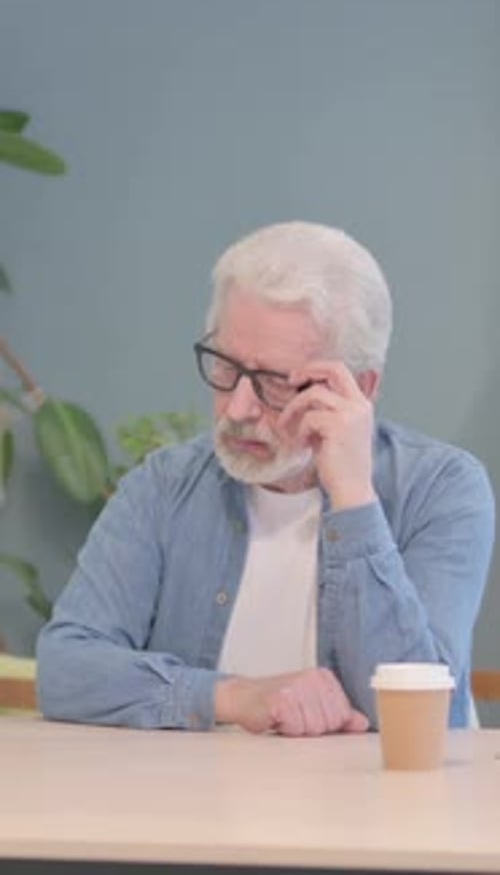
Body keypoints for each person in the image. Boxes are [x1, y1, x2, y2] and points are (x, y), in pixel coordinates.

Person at [37, 221, 495, 736]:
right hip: (191, 808)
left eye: (276, 383)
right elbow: (65, 669)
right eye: (226, 366)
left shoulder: (442, 489)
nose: (238, 408)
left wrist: (353, 499)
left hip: (373, 812)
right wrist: (233, 695)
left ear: (361, 388)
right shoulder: (163, 487)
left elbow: (416, 718)